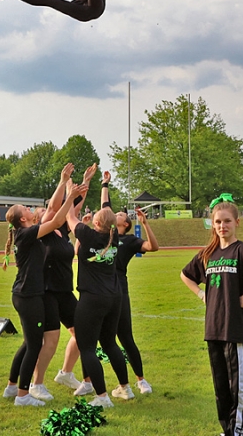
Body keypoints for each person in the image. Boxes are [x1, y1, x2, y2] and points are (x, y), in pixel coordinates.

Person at [180, 197, 243, 436]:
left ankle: (242, 432)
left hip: (237, 328)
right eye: (218, 222)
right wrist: (202, 294)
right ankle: (228, 430)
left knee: (239, 387)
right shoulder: (207, 254)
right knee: (221, 387)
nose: (222, 226)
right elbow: (185, 275)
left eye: (227, 221)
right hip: (214, 328)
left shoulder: (241, 250)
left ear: (237, 223)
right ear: (212, 224)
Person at [3, 174, 88, 407]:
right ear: (23, 218)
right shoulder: (28, 233)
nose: (31, 209)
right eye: (26, 208)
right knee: (34, 345)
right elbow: (55, 215)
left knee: (31, 343)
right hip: (28, 295)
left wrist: (68, 188)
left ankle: (13, 387)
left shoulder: (29, 233)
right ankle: (24, 394)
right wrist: (67, 191)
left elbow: (58, 215)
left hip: (29, 294)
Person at [30, 163, 97, 401]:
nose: (59, 210)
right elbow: (54, 209)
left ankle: (66, 373)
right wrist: (64, 182)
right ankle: (36, 384)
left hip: (65, 292)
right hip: (47, 292)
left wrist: (86, 181)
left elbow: (74, 206)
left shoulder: (64, 233)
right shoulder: (44, 231)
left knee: (83, 333)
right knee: (51, 340)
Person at [65, 182, 134, 409]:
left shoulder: (87, 234)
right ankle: (125, 387)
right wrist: (103, 186)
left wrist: (71, 192)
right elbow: (106, 213)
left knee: (86, 348)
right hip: (114, 298)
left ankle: (102, 397)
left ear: (95, 223)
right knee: (110, 343)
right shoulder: (114, 237)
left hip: (92, 299)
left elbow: (68, 215)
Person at [102, 171, 160, 394]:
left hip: (119, 291)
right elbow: (105, 205)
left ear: (125, 223)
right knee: (100, 339)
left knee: (126, 337)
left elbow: (153, 247)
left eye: (119, 214)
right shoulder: (106, 235)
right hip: (101, 291)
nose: (115, 214)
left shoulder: (130, 240)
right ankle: (93, 381)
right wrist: (105, 183)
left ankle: (141, 380)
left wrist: (145, 224)